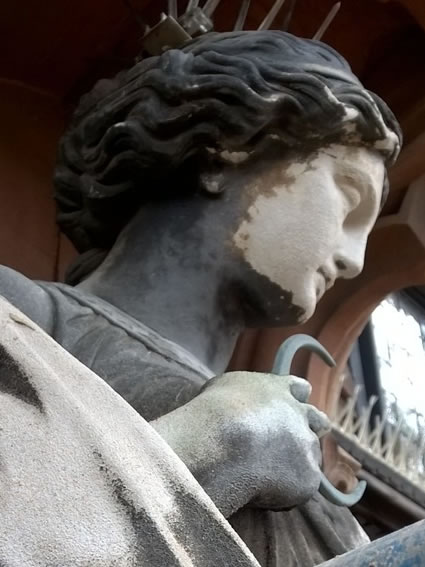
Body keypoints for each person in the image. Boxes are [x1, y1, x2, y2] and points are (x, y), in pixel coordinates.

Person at [0, 31, 401, 565]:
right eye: (349, 197)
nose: (356, 260)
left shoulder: (319, 502)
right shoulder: (20, 319)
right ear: (224, 148)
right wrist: (208, 451)